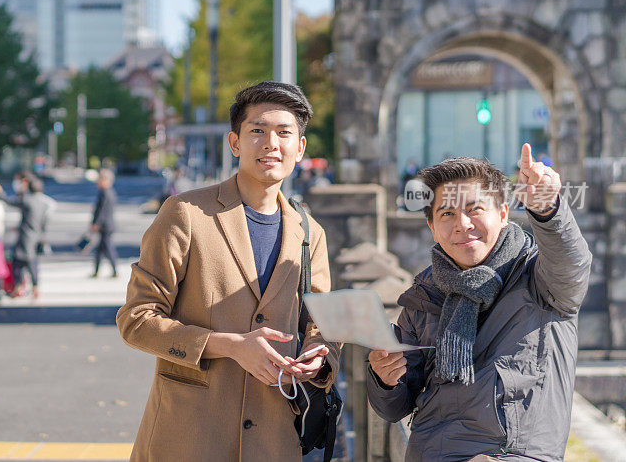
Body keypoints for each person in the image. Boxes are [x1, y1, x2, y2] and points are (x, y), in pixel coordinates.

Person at [116, 81, 341, 461]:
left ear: (299, 148)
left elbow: (323, 321)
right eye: (258, 131)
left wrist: (319, 355)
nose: (271, 143)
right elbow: (136, 320)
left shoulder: (309, 231)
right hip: (187, 435)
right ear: (235, 143)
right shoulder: (186, 214)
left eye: (285, 133)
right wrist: (230, 346)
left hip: (274, 438)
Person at [366, 144, 592, 462]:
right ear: (431, 227)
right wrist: (384, 379)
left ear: (501, 213)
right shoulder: (425, 294)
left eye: (474, 209)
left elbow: (572, 265)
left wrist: (548, 210)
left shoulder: (540, 280)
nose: (463, 224)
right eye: (447, 214)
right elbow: (394, 409)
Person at [0, 171, 54, 299]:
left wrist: (0, 194)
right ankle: (35, 287)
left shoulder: (28, 200)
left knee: (18, 262)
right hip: (37, 236)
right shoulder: (44, 203)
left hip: (26, 236)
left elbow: (11, 202)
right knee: (33, 263)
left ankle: (18, 287)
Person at [90, 168, 118, 278]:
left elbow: (101, 210)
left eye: (99, 179)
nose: (97, 181)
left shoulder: (105, 192)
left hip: (105, 225)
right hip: (107, 224)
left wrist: (96, 223)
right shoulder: (110, 191)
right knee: (100, 249)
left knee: (108, 248)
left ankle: (115, 270)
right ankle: (96, 270)